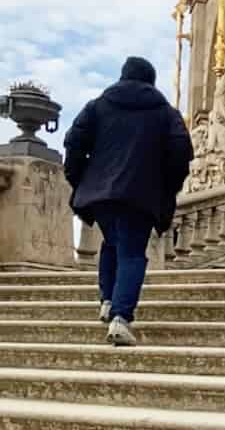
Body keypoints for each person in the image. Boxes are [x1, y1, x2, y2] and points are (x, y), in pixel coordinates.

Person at [64, 56, 193, 347]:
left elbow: (73, 142)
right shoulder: (165, 113)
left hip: (102, 195)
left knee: (111, 244)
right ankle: (121, 318)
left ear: (123, 77)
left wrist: (80, 179)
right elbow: (180, 152)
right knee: (133, 252)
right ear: (150, 80)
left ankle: (108, 300)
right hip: (141, 194)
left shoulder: (97, 106)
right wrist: (167, 186)